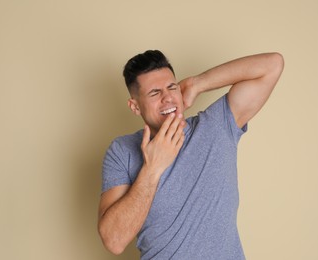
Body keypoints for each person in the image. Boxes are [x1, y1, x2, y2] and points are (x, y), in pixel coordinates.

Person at [98, 50, 284, 259]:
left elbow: (272, 65)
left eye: (171, 87)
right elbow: (114, 241)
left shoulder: (216, 126)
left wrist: (198, 83)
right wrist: (153, 169)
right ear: (135, 106)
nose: (168, 97)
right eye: (154, 93)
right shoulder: (122, 151)